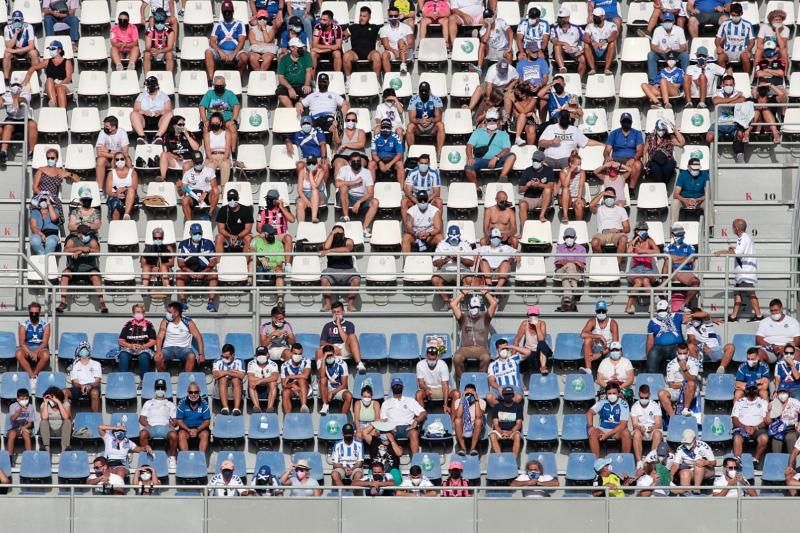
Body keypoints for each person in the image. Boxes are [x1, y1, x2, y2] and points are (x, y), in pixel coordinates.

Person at [715, 218, 761, 322]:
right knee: (738, 295)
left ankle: (759, 316)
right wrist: (731, 249)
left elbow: (738, 252)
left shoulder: (742, 237)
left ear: (736, 228)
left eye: (732, 227)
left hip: (745, 273)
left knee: (751, 294)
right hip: (742, 274)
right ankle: (733, 316)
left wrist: (722, 252)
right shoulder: (745, 237)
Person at [58, 224, 107, 313]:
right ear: (79, 234)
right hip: (74, 269)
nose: (88, 236)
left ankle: (101, 302)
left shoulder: (92, 240)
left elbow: (97, 250)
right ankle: (63, 302)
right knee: (65, 275)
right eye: (85, 234)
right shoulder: (72, 240)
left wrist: (84, 251)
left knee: (95, 276)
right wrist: (80, 249)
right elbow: (65, 250)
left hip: (89, 269)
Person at [465, 108, 516, 194]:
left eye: (494, 120)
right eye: (489, 120)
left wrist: (496, 157)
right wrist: (470, 157)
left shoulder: (504, 134)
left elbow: (507, 149)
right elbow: (469, 146)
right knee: (468, 167)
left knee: (512, 155)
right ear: (485, 121)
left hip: (498, 160)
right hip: (481, 160)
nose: (492, 122)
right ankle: (476, 189)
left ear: (498, 121)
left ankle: (502, 179)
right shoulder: (478, 132)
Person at [451, 291, 496, 382]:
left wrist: (486, 293)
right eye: (472, 307)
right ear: (469, 307)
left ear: (480, 307)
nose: (475, 308)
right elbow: (453, 304)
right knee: (457, 358)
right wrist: (463, 293)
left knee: (486, 358)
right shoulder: (463, 318)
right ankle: (462, 379)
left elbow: (494, 303)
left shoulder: (485, 318)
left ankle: (481, 379)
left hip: (481, 348)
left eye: (477, 307)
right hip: (465, 348)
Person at [175, 221, 219, 311]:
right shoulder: (183, 244)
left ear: (202, 233)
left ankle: (211, 302)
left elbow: (213, 261)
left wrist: (204, 272)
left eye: (199, 233)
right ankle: (183, 302)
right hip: (188, 272)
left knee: (214, 273)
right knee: (179, 274)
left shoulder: (209, 243)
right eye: (195, 233)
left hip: (205, 271)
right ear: (190, 233)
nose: (197, 235)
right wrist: (190, 272)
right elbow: (180, 263)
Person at [319, 225, 362, 312]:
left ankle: (350, 305)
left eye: (340, 232)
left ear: (344, 233)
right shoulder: (329, 241)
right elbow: (326, 247)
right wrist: (332, 234)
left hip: (348, 269)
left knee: (356, 280)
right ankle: (327, 304)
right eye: (336, 232)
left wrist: (330, 251)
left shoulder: (348, 240)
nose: (338, 234)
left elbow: (347, 249)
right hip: (331, 269)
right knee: (324, 279)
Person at [21, 39, 73, 109]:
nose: (50, 50)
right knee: (49, 80)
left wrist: (58, 85)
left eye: (53, 48)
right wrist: (25, 81)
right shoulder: (47, 61)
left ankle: (62, 112)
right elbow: (33, 68)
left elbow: (68, 78)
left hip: (64, 84)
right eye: (50, 49)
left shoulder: (67, 61)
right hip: (51, 85)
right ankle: (53, 104)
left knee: (60, 88)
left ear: (59, 50)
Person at [381, 377, 427, 454]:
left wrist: (416, 421)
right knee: (386, 434)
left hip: (408, 428)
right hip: (392, 428)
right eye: (395, 386)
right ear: (392, 388)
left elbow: (423, 413)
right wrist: (389, 426)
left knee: (414, 433)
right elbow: (384, 419)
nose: (397, 387)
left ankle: (415, 461)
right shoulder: (386, 403)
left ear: (403, 387)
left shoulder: (410, 401)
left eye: (399, 385)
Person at [155, 301, 205, 372]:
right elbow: (159, 337)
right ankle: (164, 376)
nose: (167, 314)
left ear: (176, 313)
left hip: (184, 349)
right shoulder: (165, 321)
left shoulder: (188, 322)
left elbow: (198, 337)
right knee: (157, 358)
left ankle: (186, 378)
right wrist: (158, 351)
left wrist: (201, 354)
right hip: (168, 349)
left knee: (192, 356)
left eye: (170, 312)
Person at [336, 154, 379, 238]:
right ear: (349, 162)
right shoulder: (344, 169)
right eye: (354, 161)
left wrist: (359, 202)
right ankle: (346, 216)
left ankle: (364, 228)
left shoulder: (366, 172)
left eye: (358, 161)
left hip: (361, 198)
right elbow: (337, 184)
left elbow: (370, 193)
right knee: (343, 187)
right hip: (348, 196)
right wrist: (354, 182)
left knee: (375, 202)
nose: (356, 163)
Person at [204, 0, 248, 81]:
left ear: (232, 11)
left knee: (244, 57)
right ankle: (211, 79)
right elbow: (212, 41)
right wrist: (220, 52)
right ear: (222, 12)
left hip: (236, 50)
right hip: (221, 50)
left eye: (229, 11)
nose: (227, 14)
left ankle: (239, 79)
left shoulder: (239, 24)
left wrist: (233, 54)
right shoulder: (218, 25)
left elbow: (242, 42)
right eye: (225, 12)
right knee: (208, 52)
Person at [708, 74, 748, 164]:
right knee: (709, 137)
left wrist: (726, 101)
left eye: (730, 85)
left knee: (741, 134)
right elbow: (715, 101)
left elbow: (742, 100)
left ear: (734, 85)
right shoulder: (717, 93)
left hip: (734, 123)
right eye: (726, 85)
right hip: (719, 123)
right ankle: (714, 154)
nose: (728, 87)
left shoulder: (739, 92)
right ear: (722, 84)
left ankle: (740, 155)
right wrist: (734, 98)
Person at [138, 377, 178, 466]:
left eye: (162, 388)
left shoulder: (170, 404)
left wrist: (172, 425)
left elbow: (175, 419)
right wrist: (147, 425)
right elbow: (141, 418)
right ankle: (148, 455)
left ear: (165, 389)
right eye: (158, 388)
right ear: (154, 389)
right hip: (151, 427)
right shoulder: (148, 403)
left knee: (174, 435)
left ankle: (172, 458)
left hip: (165, 427)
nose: (160, 390)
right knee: (142, 434)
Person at [297, 73, 348, 139]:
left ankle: (334, 137)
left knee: (333, 127)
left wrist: (343, 110)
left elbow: (346, 104)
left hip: (328, 117)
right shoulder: (312, 95)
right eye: (320, 82)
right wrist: (298, 105)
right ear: (318, 83)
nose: (322, 84)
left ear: (328, 83)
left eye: (324, 82)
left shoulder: (334, 95)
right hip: (314, 118)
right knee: (307, 125)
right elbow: (300, 103)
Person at [432, 225, 475, 303]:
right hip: (446, 269)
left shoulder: (465, 244)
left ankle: (461, 300)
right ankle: (447, 300)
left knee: (469, 279)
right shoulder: (442, 244)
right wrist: (445, 260)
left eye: (456, 236)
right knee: (435, 279)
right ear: (448, 235)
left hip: (462, 269)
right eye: (452, 236)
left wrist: (459, 259)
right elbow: (435, 262)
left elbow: (471, 262)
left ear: (459, 235)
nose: (454, 238)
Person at [587, 382, 632, 457]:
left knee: (626, 433)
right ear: (606, 394)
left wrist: (607, 435)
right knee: (593, 433)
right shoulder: (602, 401)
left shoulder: (623, 404)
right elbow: (589, 412)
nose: (612, 395)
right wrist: (590, 426)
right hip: (603, 429)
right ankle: (597, 462)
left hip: (617, 431)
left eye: (614, 393)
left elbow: (622, 425)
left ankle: (625, 459)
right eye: (609, 393)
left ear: (618, 394)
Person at [625, 223, 660, 314]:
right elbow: (628, 252)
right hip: (635, 269)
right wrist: (635, 239)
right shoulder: (632, 242)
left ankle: (652, 306)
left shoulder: (650, 241)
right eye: (642, 230)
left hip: (648, 268)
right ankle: (628, 307)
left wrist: (643, 251)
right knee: (638, 282)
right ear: (637, 231)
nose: (644, 232)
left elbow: (657, 251)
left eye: (646, 230)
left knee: (645, 281)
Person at [606, 113, 645, 192]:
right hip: (616, 158)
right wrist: (607, 156)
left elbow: (640, 150)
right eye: (624, 121)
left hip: (631, 158)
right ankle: (611, 189)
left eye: (628, 121)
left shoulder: (637, 133)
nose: (626, 123)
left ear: (631, 122)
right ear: (621, 122)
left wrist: (633, 159)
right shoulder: (614, 133)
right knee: (607, 163)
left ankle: (631, 189)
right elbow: (607, 149)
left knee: (637, 165)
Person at [658, 343, 699, 417]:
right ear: (677, 353)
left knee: (691, 384)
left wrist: (684, 368)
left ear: (688, 352)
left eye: (684, 353)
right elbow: (671, 384)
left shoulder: (694, 362)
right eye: (680, 353)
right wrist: (684, 383)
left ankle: (685, 410)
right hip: (676, 389)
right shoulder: (671, 364)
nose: (682, 355)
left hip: (691, 389)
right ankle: (672, 417)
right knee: (662, 393)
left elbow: (692, 379)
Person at [0, 81, 37, 164]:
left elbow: (25, 100)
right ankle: (3, 152)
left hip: (25, 119)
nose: (15, 93)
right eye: (14, 90)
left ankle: (32, 152)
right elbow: (2, 99)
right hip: (11, 119)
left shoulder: (26, 94)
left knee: (33, 125)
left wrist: (18, 99)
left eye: (17, 90)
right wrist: (1, 99)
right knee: (8, 125)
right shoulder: (7, 95)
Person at [732, 384, 769, 465]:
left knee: (764, 438)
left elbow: (765, 420)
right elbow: (735, 420)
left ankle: (755, 459)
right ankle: (737, 460)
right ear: (746, 390)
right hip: (742, 427)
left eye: (754, 388)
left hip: (758, 428)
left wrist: (755, 427)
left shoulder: (763, 402)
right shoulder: (739, 402)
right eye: (749, 389)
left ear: (757, 390)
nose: (751, 390)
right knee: (737, 437)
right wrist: (745, 427)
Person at [648, 13, 689, 86]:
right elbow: (653, 46)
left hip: (676, 53)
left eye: (669, 21)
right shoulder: (658, 30)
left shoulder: (679, 30)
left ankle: (685, 81)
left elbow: (684, 47)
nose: (667, 23)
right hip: (662, 53)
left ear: (673, 21)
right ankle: (653, 82)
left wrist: (675, 50)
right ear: (663, 22)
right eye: (666, 21)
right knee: (651, 55)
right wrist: (662, 51)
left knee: (685, 55)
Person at [199, 77, 241, 148]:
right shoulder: (209, 94)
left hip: (226, 121)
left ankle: (233, 152)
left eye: (221, 86)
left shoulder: (229, 94)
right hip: (212, 121)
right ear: (213, 85)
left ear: (225, 85)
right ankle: (208, 152)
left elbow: (236, 106)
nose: (219, 87)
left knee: (232, 127)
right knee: (206, 128)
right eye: (217, 86)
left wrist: (233, 120)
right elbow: (202, 106)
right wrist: (205, 120)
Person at [579, 300, 620, 374]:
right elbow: (582, 334)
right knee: (587, 340)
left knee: (616, 351)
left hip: (608, 350)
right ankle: (588, 369)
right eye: (599, 311)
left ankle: (612, 374)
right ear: (596, 311)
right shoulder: (592, 321)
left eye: (603, 311)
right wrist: (598, 336)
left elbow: (615, 344)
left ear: (606, 311)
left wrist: (600, 354)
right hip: (595, 348)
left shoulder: (613, 323)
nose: (601, 313)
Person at [551, 227, 586, 312]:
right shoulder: (560, 247)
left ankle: (567, 302)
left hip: (576, 272)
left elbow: (581, 266)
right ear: (564, 238)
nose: (569, 239)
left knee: (566, 276)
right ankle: (574, 286)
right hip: (561, 270)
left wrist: (567, 262)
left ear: (575, 238)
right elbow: (558, 264)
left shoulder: (581, 248)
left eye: (571, 237)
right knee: (570, 266)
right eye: (567, 237)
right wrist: (575, 261)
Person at [589, 187, 629, 260]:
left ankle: (617, 265)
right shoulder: (599, 208)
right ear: (603, 198)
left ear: (615, 197)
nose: (609, 198)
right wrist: (602, 193)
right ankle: (602, 262)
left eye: (611, 196)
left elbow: (627, 228)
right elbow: (591, 205)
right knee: (594, 242)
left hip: (616, 234)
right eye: (606, 196)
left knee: (623, 238)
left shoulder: (621, 210)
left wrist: (618, 231)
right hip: (602, 233)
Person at [257, 189, 295, 266]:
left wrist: (281, 207)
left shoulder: (285, 209)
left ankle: (288, 265)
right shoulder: (262, 210)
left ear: (276, 200)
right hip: (268, 235)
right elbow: (258, 228)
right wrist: (265, 232)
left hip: (281, 235)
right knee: (256, 238)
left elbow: (292, 220)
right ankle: (260, 265)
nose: (268, 201)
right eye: (267, 199)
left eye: (270, 199)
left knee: (288, 237)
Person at [646, 299, 685, 373]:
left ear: (668, 309)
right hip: (659, 348)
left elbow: (689, 318)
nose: (662, 312)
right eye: (660, 310)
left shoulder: (676, 316)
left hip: (676, 346)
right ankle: (652, 379)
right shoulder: (652, 322)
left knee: (681, 353)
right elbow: (650, 341)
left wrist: (687, 312)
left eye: (664, 309)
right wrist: (648, 355)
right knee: (652, 355)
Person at [117, 303, 157, 377]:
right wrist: (130, 346)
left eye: (140, 312)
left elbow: (153, 341)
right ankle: (123, 379)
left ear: (144, 314)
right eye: (136, 312)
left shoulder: (149, 324)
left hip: (144, 349)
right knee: (123, 355)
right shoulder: (128, 324)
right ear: (133, 314)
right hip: (130, 348)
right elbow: (121, 340)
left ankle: (144, 380)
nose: (138, 314)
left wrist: (142, 346)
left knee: (144, 356)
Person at [16, 302, 51, 385]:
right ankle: (32, 376)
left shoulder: (45, 325)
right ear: (29, 312)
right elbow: (22, 343)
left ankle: (35, 375)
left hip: (40, 347)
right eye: (32, 313)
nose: (34, 314)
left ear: (39, 312)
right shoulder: (24, 325)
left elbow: (45, 343)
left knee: (46, 355)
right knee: (18, 353)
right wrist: (30, 352)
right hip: (27, 347)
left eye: (36, 312)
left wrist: (36, 352)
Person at [487, 340, 531, 405]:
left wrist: (512, 347)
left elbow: (528, 352)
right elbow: (491, 381)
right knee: (489, 397)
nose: (504, 350)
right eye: (502, 348)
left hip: (514, 387)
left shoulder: (514, 359)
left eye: (506, 348)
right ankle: (501, 410)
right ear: (497, 350)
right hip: (500, 387)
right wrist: (499, 388)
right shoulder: (493, 365)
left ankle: (509, 410)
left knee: (518, 397)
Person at [512, 305, 554, 374]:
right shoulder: (525, 324)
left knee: (541, 344)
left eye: (535, 315)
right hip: (530, 351)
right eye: (531, 314)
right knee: (525, 353)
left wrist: (537, 326)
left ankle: (543, 366)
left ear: (538, 315)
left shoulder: (542, 323)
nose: (533, 316)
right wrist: (511, 357)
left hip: (543, 351)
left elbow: (542, 339)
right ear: (528, 315)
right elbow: (517, 339)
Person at [756, 299, 800, 364]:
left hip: (787, 349)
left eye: (776, 310)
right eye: (772, 311)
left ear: (781, 309)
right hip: (769, 349)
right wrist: (772, 346)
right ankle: (762, 373)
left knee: (796, 354)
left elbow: (797, 340)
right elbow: (759, 339)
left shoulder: (793, 322)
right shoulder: (764, 322)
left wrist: (786, 348)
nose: (774, 313)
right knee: (758, 354)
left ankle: (793, 374)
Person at [249, 225, 287, 299]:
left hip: (272, 269)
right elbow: (251, 250)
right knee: (252, 258)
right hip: (259, 268)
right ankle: (250, 282)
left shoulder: (278, 244)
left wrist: (275, 269)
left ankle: (280, 300)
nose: (272, 236)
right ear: (263, 234)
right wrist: (262, 258)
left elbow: (279, 263)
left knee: (279, 272)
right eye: (270, 234)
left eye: (273, 234)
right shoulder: (256, 240)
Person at [131, 76, 173, 144]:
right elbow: (136, 109)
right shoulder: (141, 95)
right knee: (133, 114)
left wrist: (161, 112)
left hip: (159, 119)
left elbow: (168, 110)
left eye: (151, 85)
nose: (149, 87)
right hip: (144, 119)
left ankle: (157, 137)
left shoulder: (164, 96)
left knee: (170, 114)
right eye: (148, 85)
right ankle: (142, 136)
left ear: (157, 86)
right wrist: (144, 112)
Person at [158, 115, 200, 181]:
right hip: (176, 160)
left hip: (189, 160)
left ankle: (184, 185)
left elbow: (196, 148)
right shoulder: (167, 135)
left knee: (186, 165)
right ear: (174, 125)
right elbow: (167, 152)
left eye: (183, 124)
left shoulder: (189, 134)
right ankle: (163, 178)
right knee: (163, 154)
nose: (182, 126)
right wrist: (175, 157)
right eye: (180, 125)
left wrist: (187, 136)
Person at [402, 152, 442, 221]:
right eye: (421, 163)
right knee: (404, 202)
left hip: (429, 199)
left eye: (425, 163)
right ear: (418, 163)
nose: (423, 165)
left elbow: (437, 193)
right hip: (415, 199)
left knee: (439, 201)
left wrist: (426, 201)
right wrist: (418, 202)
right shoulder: (412, 173)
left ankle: (438, 226)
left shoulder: (434, 174)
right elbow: (408, 192)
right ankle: (407, 227)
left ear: (429, 164)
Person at [406, 81, 445, 153]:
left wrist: (430, 120)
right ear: (419, 91)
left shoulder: (436, 99)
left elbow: (438, 117)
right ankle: (411, 152)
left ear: (429, 91)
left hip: (432, 126)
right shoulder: (413, 100)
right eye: (422, 91)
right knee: (410, 126)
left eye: (425, 91)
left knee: (440, 125)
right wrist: (420, 121)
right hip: (419, 126)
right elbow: (411, 118)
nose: (424, 93)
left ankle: (440, 153)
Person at [95, 115, 130, 193]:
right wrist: (116, 154)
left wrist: (108, 151)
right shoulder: (102, 133)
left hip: (119, 159)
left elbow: (125, 153)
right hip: (108, 159)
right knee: (100, 160)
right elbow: (99, 153)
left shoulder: (122, 133)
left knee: (122, 159)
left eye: (107, 126)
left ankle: (122, 189)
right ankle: (99, 190)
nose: (105, 128)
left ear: (113, 127)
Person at [416, 345, 457, 411]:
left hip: (441, 388)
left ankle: (453, 420)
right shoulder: (420, 365)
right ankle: (422, 416)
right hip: (428, 389)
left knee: (456, 394)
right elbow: (421, 383)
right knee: (418, 394)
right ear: (426, 356)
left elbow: (445, 386)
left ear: (437, 357)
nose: (432, 361)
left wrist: (445, 404)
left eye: (433, 359)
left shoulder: (443, 365)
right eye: (430, 359)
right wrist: (426, 388)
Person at [518, 150, 555, 224]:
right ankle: (523, 231)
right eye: (534, 160)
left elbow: (551, 186)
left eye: (537, 160)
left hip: (543, 198)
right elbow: (520, 190)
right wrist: (527, 185)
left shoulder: (548, 170)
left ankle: (542, 215)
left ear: (542, 161)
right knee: (522, 204)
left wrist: (539, 185)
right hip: (530, 198)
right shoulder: (527, 171)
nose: (535, 162)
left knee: (547, 190)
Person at [715, 3, 753, 73]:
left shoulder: (747, 25)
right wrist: (718, 47)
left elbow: (752, 40)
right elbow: (718, 38)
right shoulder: (725, 24)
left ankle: (746, 78)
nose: (735, 17)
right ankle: (724, 78)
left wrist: (748, 50)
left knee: (745, 57)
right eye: (733, 15)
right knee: (720, 58)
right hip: (727, 51)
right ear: (730, 14)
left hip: (741, 51)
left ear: (741, 13)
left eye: (737, 15)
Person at [630, 384, 664, 465]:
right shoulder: (635, 407)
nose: (644, 399)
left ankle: (652, 461)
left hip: (653, 429)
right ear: (638, 395)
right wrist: (640, 428)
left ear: (649, 395)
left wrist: (652, 428)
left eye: (646, 398)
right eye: (642, 398)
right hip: (641, 429)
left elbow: (658, 423)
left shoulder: (655, 405)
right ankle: (639, 462)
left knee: (657, 433)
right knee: (637, 434)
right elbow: (634, 424)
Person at [344, 6, 382, 77]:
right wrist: (344, 36)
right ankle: (348, 79)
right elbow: (343, 35)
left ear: (369, 17)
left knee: (377, 56)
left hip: (370, 53)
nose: (361, 18)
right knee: (346, 56)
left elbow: (384, 34)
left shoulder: (374, 27)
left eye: (364, 16)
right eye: (360, 15)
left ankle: (376, 80)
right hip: (355, 53)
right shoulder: (353, 27)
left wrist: (381, 39)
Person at [276, 38, 313, 108]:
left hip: (302, 85)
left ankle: (298, 107)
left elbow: (309, 71)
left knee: (308, 92)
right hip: (288, 85)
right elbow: (280, 77)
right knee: (280, 93)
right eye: (299, 47)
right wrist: (289, 88)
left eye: (301, 47)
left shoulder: (306, 55)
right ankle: (292, 111)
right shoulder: (284, 59)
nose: (301, 49)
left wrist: (307, 84)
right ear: (292, 48)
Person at [644, 118, 685, 183]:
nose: (661, 131)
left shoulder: (669, 137)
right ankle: (663, 186)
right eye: (660, 129)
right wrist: (644, 163)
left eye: (663, 130)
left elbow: (682, 143)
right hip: (654, 161)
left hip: (667, 160)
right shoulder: (650, 137)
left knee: (670, 165)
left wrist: (675, 130)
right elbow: (645, 151)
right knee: (655, 167)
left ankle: (662, 186)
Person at [3, 11, 39, 82]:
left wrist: (15, 50)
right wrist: (16, 34)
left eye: (19, 20)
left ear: (22, 20)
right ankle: (6, 79)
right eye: (15, 20)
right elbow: (8, 46)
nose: (17, 22)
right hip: (14, 50)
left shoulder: (29, 27)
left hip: (26, 50)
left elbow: (31, 46)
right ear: (12, 20)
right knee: (7, 54)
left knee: (34, 53)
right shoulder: (7, 28)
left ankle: (35, 76)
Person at [214, 189, 253, 254]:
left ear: (238, 198)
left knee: (248, 238)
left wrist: (237, 236)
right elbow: (220, 229)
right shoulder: (223, 210)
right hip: (227, 236)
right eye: (230, 199)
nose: (232, 200)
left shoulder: (246, 210)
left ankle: (246, 262)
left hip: (242, 236)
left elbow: (248, 229)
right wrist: (230, 236)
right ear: (227, 199)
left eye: (234, 198)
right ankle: (219, 262)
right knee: (218, 237)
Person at [551, 7, 586, 78]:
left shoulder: (576, 28)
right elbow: (554, 41)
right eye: (559, 17)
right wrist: (564, 44)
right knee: (557, 46)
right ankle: (562, 68)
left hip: (574, 51)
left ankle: (578, 80)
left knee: (582, 59)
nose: (560, 19)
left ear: (568, 18)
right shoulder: (554, 28)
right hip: (561, 51)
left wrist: (583, 50)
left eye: (562, 18)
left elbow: (587, 39)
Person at [176, 382, 211, 452]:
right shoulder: (182, 403)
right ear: (188, 392)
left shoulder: (204, 403)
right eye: (191, 392)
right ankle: (185, 457)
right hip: (186, 429)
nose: (193, 394)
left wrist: (197, 430)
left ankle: (201, 458)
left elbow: (207, 421)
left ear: (199, 392)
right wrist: (189, 430)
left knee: (205, 434)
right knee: (181, 434)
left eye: (196, 392)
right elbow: (179, 421)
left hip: (200, 429)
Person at [671, 157, 709, 223]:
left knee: (708, 203)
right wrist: (685, 200)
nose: (695, 171)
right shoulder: (682, 175)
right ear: (688, 167)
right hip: (684, 200)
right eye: (693, 169)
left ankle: (710, 227)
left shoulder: (705, 175)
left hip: (699, 200)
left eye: (697, 169)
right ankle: (673, 228)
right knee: (675, 202)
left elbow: (708, 194)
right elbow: (675, 194)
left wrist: (698, 200)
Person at [379, 5, 414, 75]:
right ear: (388, 16)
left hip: (405, 52)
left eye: (395, 16)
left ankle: (403, 66)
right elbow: (386, 45)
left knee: (400, 41)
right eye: (391, 16)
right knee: (385, 54)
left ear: (398, 16)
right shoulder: (383, 29)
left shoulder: (406, 27)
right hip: (392, 51)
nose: (393, 18)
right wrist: (394, 51)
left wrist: (404, 48)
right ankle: (388, 76)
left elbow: (411, 42)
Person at [488, 386, 523, 456]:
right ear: (503, 396)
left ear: (513, 395)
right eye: (506, 394)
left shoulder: (518, 407)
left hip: (513, 431)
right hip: (500, 431)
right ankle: (500, 458)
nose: (508, 396)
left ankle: (513, 461)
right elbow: (495, 424)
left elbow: (519, 424)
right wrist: (501, 432)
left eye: (509, 394)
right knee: (492, 435)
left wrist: (510, 432)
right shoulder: (497, 406)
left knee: (517, 436)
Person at [140, 226, 175, 297]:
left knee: (163, 267)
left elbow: (171, 263)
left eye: (160, 238)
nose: (157, 239)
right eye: (155, 238)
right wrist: (153, 268)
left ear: (163, 237)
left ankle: (166, 288)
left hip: (165, 269)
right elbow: (143, 263)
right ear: (153, 238)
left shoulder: (168, 248)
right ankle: (144, 288)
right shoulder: (148, 248)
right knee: (146, 267)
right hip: (151, 269)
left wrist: (159, 267)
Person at [369, 118, 405, 184]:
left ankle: (401, 190)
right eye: (383, 127)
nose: (385, 129)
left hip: (392, 160)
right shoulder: (375, 138)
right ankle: (371, 187)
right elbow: (373, 154)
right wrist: (380, 163)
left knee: (400, 164)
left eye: (387, 127)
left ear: (391, 128)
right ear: (380, 128)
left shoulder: (396, 137)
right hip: (379, 160)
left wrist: (389, 164)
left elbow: (399, 154)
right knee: (371, 164)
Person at [212, 344, 245, 416]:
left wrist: (222, 372)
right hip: (220, 385)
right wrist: (230, 372)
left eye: (226, 357)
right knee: (223, 379)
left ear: (233, 355)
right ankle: (225, 408)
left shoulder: (240, 361)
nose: (224, 358)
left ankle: (236, 408)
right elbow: (215, 375)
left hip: (236, 385)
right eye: (222, 356)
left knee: (236, 379)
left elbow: (242, 375)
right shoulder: (217, 361)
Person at [105, 151, 139, 221]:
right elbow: (108, 190)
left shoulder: (132, 172)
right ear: (114, 161)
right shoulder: (111, 173)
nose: (119, 161)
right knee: (115, 204)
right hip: (115, 196)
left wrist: (124, 188)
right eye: (117, 159)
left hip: (130, 195)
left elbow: (134, 187)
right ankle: (116, 226)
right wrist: (116, 194)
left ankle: (126, 215)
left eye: (122, 159)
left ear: (125, 160)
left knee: (131, 190)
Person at [319, 345, 353, 415]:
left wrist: (333, 392)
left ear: (334, 353)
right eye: (327, 355)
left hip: (338, 388)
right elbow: (322, 376)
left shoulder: (342, 364)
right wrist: (323, 360)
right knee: (323, 379)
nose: (329, 357)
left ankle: (342, 418)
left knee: (349, 396)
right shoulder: (322, 362)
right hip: (326, 389)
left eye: (330, 355)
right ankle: (325, 405)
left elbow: (344, 384)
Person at [203, 111, 234, 187]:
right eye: (213, 122)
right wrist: (211, 158)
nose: (214, 124)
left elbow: (227, 148)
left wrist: (224, 158)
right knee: (210, 166)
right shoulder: (207, 135)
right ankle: (212, 190)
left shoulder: (226, 133)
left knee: (225, 165)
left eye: (216, 122)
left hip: (223, 156)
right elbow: (207, 149)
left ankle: (224, 188)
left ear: (220, 123)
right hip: (211, 156)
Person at [584, 8, 618, 76]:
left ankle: (607, 68)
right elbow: (585, 37)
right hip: (595, 50)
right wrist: (593, 42)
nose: (595, 18)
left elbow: (614, 35)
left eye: (597, 16)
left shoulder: (611, 25)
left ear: (603, 16)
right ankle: (592, 69)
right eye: (594, 16)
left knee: (612, 44)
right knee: (586, 45)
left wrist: (605, 41)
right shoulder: (590, 26)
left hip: (606, 51)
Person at [39, 386, 72, 453]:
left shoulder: (65, 404)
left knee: (67, 422)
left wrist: (58, 402)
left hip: (62, 430)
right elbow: (44, 418)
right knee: (43, 422)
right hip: (49, 431)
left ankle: (64, 449)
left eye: (53, 397)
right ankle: (46, 448)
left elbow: (66, 417)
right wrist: (45, 402)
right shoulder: (44, 405)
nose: (51, 399)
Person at [296, 155, 328, 224]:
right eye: (309, 163)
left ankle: (314, 218)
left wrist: (310, 173)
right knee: (300, 203)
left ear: (317, 164)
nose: (311, 165)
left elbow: (315, 186)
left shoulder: (321, 171)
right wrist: (307, 201)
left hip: (319, 195)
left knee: (315, 191)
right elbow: (299, 190)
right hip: (305, 195)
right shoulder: (302, 172)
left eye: (313, 163)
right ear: (306, 164)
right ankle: (301, 227)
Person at [281, 343, 311, 413]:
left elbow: (305, 375)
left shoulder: (306, 361)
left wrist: (290, 376)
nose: (298, 356)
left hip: (305, 388)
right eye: (295, 354)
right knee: (285, 392)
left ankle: (303, 406)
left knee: (301, 380)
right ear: (291, 353)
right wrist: (292, 385)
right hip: (291, 389)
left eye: (300, 354)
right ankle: (288, 418)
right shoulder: (284, 366)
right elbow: (284, 384)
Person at [143, 8, 176, 73]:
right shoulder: (149, 31)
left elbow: (170, 47)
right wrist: (152, 50)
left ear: (164, 21)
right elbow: (147, 47)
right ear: (155, 21)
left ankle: (169, 77)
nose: (160, 24)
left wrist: (159, 51)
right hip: (153, 52)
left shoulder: (170, 31)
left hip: (165, 51)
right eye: (158, 22)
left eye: (162, 22)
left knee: (169, 55)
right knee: (146, 54)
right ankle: (147, 78)